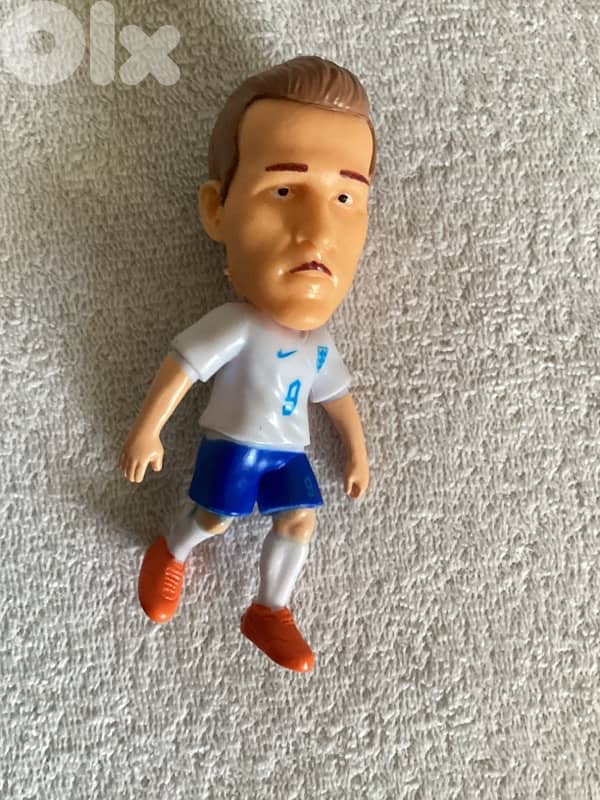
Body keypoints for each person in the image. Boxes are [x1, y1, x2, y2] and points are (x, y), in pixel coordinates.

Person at [119, 55, 376, 673]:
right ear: (218, 210)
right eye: (283, 191)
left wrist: (357, 451)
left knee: (302, 519)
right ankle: (171, 552)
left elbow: (335, 396)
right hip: (237, 445)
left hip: (288, 451)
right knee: (215, 517)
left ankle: (270, 609)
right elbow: (183, 367)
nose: (317, 232)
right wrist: (148, 430)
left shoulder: (319, 343)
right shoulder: (236, 324)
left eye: (345, 197)